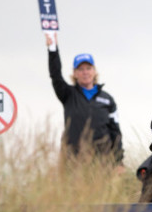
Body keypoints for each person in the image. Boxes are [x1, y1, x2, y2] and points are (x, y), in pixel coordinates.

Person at [45, 33, 123, 165]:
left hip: (102, 162)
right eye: (80, 69)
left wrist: (119, 161)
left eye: (88, 68)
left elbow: (115, 132)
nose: (85, 72)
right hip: (73, 161)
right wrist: (53, 49)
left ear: (94, 71)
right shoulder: (68, 94)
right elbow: (55, 75)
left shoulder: (108, 100)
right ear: (75, 74)